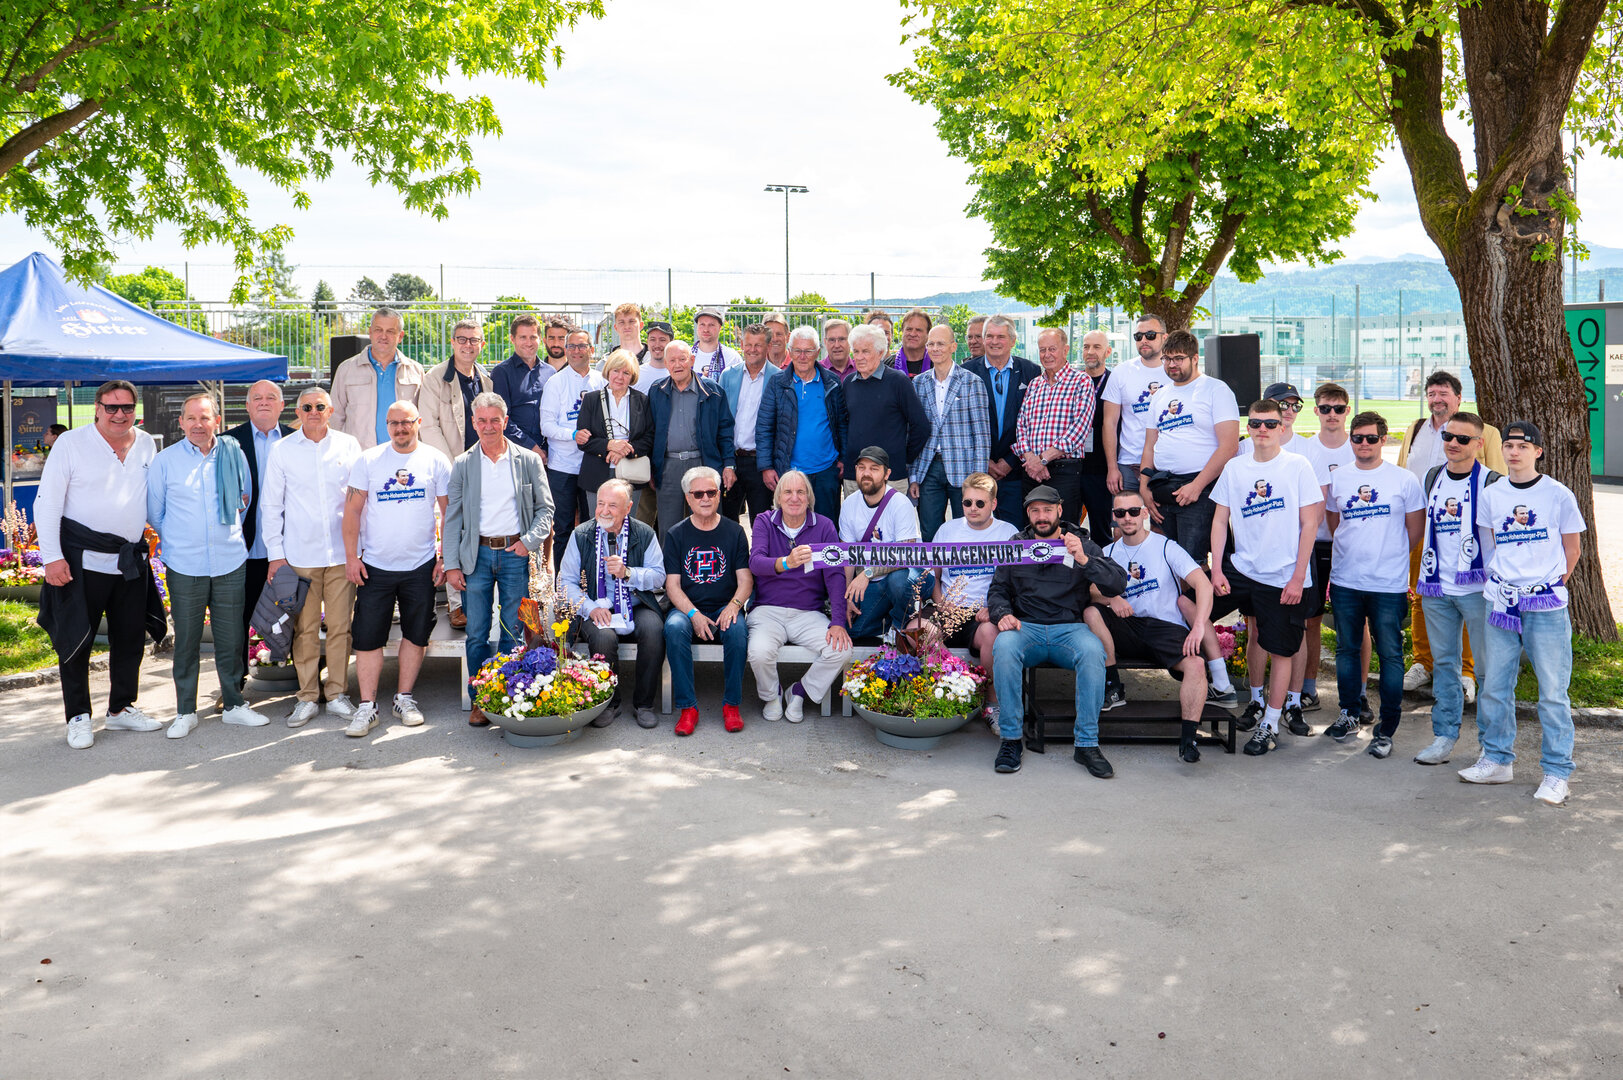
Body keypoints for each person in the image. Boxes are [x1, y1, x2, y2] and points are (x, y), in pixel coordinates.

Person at [37, 380, 165, 749]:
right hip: (80, 561)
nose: (119, 415)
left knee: (130, 639)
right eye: (112, 407)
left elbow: (152, 500)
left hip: (128, 562)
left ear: (135, 411)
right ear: (97, 408)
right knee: (77, 639)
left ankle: (121, 709)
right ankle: (78, 716)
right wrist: (52, 557)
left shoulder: (144, 443)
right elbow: (47, 503)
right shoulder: (71, 444)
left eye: (127, 408)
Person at [1461, 420, 1583, 806]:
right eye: (1510, 445)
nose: (1514, 452)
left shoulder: (1558, 494)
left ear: (1538, 452)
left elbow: (1572, 549)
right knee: (1495, 685)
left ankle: (1557, 772)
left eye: (1523, 446)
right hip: (1501, 604)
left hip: (1544, 605)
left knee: (1552, 692)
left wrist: (1547, 584)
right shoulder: (1493, 495)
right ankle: (1497, 759)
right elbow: (1489, 542)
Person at [148, 392, 269, 738]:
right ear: (181, 422)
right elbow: (156, 512)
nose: (198, 425)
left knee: (231, 638)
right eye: (191, 418)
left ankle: (233, 704)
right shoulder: (166, 461)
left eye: (205, 418)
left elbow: (243, 503)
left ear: (217, 420)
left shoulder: (234, 454)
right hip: (185, 564)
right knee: (185, 640)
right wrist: (183, 539)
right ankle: (185, 710)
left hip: (230, 560)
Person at [985, 485, 1127, 778]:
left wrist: (1084, 560)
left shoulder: (1081, 543)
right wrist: (1003, 614)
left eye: (1047, 509)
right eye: (1035, 510)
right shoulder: (1016, 545)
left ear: (1060, 510)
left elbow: (1117, 584)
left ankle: (1087, 744)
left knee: (1092, 651)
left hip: (1069, 629)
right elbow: (998, 589)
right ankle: (1011, 739)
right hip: (1027, 627)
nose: (1041, 516)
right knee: (1004, 646)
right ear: (1028, 514)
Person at [1208, 399, 1324, 756]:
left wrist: (1297, 576)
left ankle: (1271, 723)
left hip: (1283, 576)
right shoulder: (1235, 467)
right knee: (1188, 605)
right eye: (1256, 424)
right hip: (1242, 569)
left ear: (1283, 428)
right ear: (1248, 427)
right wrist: (1215, 569)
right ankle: (1227, 685)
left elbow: (1310, 524)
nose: (1262, 430)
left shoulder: (1298, 466)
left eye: (1270, 424)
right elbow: (1219, 520)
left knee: (1281, 648)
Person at [1084, 488, 1223, 763]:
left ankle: (1188, 739)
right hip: (1126, 626)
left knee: (1195, 664)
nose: (1127, 518)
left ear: (1145, 513)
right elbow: (1090, 590)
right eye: (1120, 513)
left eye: (1134, 511)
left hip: (1163, 627)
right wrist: (1112, 598)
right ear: (1113, 517)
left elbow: (1202, 584)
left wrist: (1197, 627)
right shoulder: (1108, 551)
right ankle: (1113, 686)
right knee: (1091, 611)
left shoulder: (1165, 546)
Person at [342, 401, 452, 736]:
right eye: (393, 423)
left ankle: (404, 698)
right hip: (375, 564)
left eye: (406, 422)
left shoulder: (435, 460)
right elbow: (352, 512)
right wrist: (351, 557)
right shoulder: (369, 460)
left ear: (418, 422)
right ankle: (367, 706)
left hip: (420, 565)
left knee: (416, 634)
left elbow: (450, 513)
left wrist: (444, 557)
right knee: (367, 637)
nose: (400, 429)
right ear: (385, 425)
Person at [444, 393, 553, 727]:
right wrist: (451, 564)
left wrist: (528, 542)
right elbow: (453, 516)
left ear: (505, 422)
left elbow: (545, 510)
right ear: (474, 423)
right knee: (476, 633)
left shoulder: (527, 461)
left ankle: (505, 695)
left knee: (512, 631)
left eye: (495, 420)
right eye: (482, 421)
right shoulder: (463, 463)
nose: (488, 427)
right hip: (474, 556)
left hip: (514, 556)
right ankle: (480, 700)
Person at [1320, 412, 1425, 757]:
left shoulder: (1404, 480)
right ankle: (1350, 713)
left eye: (1370, 438)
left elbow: (1414, 531)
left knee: (1391, 656)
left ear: (1383, 439)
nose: (1363, 444)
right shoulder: (1338, 478)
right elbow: (1335, 524)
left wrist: (1387, 557)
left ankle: (1387, 728)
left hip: (1388, 583)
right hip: (1346, 580)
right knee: (1347, 652)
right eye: (1357, 437)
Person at [1397, 370, 1505, 700]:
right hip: (1425, 528)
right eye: (1432, 393)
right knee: (1421, 595)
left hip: (1468, 536)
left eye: (1444, 393)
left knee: (1471, 599)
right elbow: (1404, 472)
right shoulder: (1415, 430)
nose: (1437, 398)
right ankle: (1423, 662)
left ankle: (1468, 671)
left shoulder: (1484, 432)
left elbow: (1499, 482)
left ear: (1459, 398)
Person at [262, 387, 363, 728]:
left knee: (339, 628)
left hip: (341, 555)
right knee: (304, 629)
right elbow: (271, 506)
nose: (314, 412)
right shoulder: (282, 450)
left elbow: (359, 499)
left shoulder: (348, 445)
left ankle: (336, 694)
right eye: (307, 407)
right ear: (298, 411)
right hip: (299, 556)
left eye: (320, 406)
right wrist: (276, 555)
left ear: (331, 410)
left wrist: (360, 550)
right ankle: (307, 696)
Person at [1411, 411, 1500, 765]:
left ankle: (1490, 744)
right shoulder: (1433, 477)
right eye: (1449, 436)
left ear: (1478, 444)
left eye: (1463, 439)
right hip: (1436, 586)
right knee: (1445, 665)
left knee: (1485, 669)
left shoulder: (1492, 482)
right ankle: (1444, 736)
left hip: (1477, 590)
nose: (1453, 444)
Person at [560, 479, 666, 730]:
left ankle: (644, 704)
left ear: (628, 507)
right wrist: (590, 608)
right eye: (600, 504)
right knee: (603, 637)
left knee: (653, 630)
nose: (604, 511)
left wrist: (628, 573)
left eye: (612, 505)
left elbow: (659, 576)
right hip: (595, 605)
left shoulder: (644, 533)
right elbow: (566, 583)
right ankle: (609, 702)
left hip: (636, 603)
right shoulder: (581, 534)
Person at [748, 470, 852, 721]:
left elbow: (835, 575)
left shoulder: (824, 525)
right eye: (788, 492)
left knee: (842, 650)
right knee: (759, 652)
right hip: (767, 610)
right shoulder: (765, 520)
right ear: (778, 497)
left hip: (808, 612)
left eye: (800, 492)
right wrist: (787, 562)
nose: (794, 498)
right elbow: (756, 562)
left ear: (809, 497)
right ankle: (771, 695)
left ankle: (799, 692)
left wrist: (838, 621)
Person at [662, 467, 753, 736]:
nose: (705, 498)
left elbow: (746, 580)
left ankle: (732, 705)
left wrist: (734, 606)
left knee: (737, 632)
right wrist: (693, 614)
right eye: (698, 493)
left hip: (726, 605)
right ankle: (688, 708)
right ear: (688, 498)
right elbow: (672, 585)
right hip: (688, 607)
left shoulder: (735, 532)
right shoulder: (675, 534)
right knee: (674, 628)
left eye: (711, 492)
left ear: (718, 495)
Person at [1139, 329, 1239, 565]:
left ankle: (1198, 603)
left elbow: (1229, 446)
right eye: (1167, 358)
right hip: (1163, 487)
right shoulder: (1160, 396)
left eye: (1178, 359)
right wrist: (1144, 487)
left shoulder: (1216, 390)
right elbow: (1150, 445)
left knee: (1193, 562)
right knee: (1167, 559)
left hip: (1200, 489)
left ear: (1195, 358)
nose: (1172, 365)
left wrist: (1197, 486)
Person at [929, 472, 1019, 728]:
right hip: (948, 608)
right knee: (916, 631)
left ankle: (992, 705)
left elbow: (1015, 582)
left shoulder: (1007, 532)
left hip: (983, 613)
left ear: (993, 504)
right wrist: (940, 603)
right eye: (967, 503)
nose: (973, 508)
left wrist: (993, 608)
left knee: (991, 633)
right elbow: (933, 575)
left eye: (980, 503)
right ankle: (959, 684)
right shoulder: (947, 530)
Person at [420, 318, 495, 629]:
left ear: (481, 344)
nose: (468, 345)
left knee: (480, 532)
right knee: (453, 534)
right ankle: (456, 604)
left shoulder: (485, 380)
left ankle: (479, 600)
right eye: (462, 339)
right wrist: (453, 469)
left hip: (482, 469)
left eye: (474, 340)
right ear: (452, 342)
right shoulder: (434, 379)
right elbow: (428, 426)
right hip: (450, 470)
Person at [1297, 382, 1357, 713]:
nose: (1331, 415)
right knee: (1311, 619)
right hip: (1314, 541)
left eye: (1338, 408)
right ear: (1316, 410)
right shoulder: (1305, 449)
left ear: (1347, 411)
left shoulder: (1358, 445)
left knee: (1355, 621)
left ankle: (1358, 693)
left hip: (1350, 545)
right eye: (1324, 408)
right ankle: (1308, 688)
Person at [225, 379, 292, 671]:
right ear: (247, 405)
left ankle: (308, 687)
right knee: (237, 620)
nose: (264, 402)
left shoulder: (297, 440)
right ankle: (234, 690)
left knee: (298, 617)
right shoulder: (227, 442)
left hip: (290, 548)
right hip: (245, 548)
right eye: (257, 398)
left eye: (270, 397)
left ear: (282, 405)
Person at [757, 326, 848, 526]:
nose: (802, 356)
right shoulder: (777, 383)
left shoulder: (831, 382)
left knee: (826, 527)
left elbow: (842, 423)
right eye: (797, 350)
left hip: (826, 471)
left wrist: (843, 458)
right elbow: (764, 427)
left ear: (818, 352)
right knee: (791, 528)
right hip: (789, 473)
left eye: (808, 351)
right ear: (790, 351)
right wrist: (766, 466)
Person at [910, 322, 990, 540]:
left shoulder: (972, 382)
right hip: (929, 468)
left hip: (964, 470)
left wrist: (979, 480)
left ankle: (964, 574)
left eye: (941, 344)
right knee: (929, 531)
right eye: (931, 344)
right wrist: (914, 475)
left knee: (966, 529)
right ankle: (933, 574)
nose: (935, 348)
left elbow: (982, 436)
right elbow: (915, 433)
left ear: (953, 347)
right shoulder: (919, 383)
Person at [1011, 327, 1096, 527]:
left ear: (1065, 350)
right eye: (1042, 350)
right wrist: (1031, 459)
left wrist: (1043, 459)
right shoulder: (1034, 385)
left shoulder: (1081, 381)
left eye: (1052, 349)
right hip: (1031, 471)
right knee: (1032, 531)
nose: (1047, 355)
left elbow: (1079, 431)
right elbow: (1021, 425)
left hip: (1064, 472)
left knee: (1064, 532)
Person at [650, 340, 736, 539]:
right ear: (665, 363)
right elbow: (651, 431)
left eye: (682, 359)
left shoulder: (712, 391)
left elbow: (725, 430)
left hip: (703, 465)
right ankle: (671, 570)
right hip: (668, 467)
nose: (677, 364)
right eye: (672, 360)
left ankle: (709, 569)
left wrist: (729, 464)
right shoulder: (657, 391)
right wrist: (652, 467)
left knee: (706, 524)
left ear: (692, 360)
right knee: (668, 529)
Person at [840, 447, 927, 641]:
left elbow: (905, 556)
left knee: (898, 581)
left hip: (911, 576)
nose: (866, 473)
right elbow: (847, 555)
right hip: (875, 581)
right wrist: (846, 596)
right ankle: (887, 620)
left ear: (887, 473)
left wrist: (867, 573)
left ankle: (898, 626)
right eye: (861, 467)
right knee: (854, 631)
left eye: (874, 468)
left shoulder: (900, 503)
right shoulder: (849, 504)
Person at [963, 314, 1041, 528]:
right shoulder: (967, 373)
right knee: (976, 532)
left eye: (1001, 337)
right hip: (979, 469)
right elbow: (964, 424)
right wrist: (985, 460)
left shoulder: (1031, 371)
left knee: (1013, 531)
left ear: (1013, 341)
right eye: (989, 336)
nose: (994, 342)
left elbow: (1033, 423)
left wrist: (1010, 460)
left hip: (1015, 469)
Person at [539, 326, 607, 567]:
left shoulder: (602, 381)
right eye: (572, 346)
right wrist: (573, 434)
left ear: (591, 350)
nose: (577, 351)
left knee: (593, 528)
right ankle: (564, 589)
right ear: (566, 350)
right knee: (564, 528)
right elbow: (546, 426)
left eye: (582, 346)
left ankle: (592, 582)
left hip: (594, 466)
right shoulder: (555, 383)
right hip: (563, 467)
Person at [842, 323, 930, 498]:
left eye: (865, 351)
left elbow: (921, 427)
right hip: (855, 477)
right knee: (857, 525)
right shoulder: (848, 383)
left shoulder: (898, 381)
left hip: (890, 476)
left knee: (890, 525)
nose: (859, 357)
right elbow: (844, 425)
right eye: (856, 351)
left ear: (881, 352)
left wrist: (903, 457)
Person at [330, 306, 425, 449]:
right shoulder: (346, 369)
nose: (383, 336)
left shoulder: (415, 371)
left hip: (403, 455)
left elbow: (423, 418)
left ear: (400, 336)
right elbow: (335, 416)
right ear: (370, 332)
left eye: (390, 331)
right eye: (378, 330)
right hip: (360, 456)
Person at [575, 349, 654, 519]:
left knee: (627, 525)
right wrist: (609, 446)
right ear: (608, 371)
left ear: (632, 376)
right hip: (596, 472)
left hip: (631, 473)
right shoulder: (591, 400)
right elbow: (583, 440)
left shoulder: (642, 400)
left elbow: (649, 438)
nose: (620, 377)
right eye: (616, 371)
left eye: (626, 372)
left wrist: (625, 449)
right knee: (598, 525)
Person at [1100, 314, 1169, 496]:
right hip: (1128, 464)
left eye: (1150, 335)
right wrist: (1112, 467)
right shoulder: (1121, 372)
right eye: (1138, 336)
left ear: (1165, 337)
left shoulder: (1175, 372)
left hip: (1165, 464)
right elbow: (1109, 423)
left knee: (1160, 524)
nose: (1144, 340)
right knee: (1124, 522)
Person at [719, 323, 779, 528]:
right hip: (731, 460)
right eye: (748, 344)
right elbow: (721, 420)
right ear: (742, 345)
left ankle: (758, 560)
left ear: (768, 347)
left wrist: (769, 465)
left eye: (758, 345)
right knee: (727, 521)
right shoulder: (728, 375)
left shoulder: (778, 378)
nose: (752, 350)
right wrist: (726, 462)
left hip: (760, 463)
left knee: (761, 523)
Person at [491, 313, 552, 452]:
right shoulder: (501, 373)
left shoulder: (551, 373)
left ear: (540, 339)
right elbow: (502, 417)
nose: (528, 343)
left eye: (533, 337)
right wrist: (531, 447)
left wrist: (546, 448)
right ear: (513, 339)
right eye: (523, 337)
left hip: (550, 452)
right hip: (515, 450)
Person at [1077, 330, 1115, 538]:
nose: (1090, 352)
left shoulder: (1115, 382)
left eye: (1097, 347)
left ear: (1108, 351)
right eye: (1086, 346)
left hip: (1101, 470)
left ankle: (1102, 569)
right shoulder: (1072, 382)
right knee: (1069, 528)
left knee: (1102, 530)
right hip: (1074, 467)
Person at [692, 307, 740, 381]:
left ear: (720, 327)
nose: (706, 329)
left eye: (711, 325)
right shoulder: (685, 356)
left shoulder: (732, 358)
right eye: (702, 324)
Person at [635, 320, 674, 393]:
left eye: (662, 340)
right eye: (652, 340)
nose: (657, 345)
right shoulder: (636, 374)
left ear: (671, 343)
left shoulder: (679, 374)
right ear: (647, 342)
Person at [891, 307, 932, 376]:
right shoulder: (887, 365)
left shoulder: (936, 365)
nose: (913, 334)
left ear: (928, 334)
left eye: (918, 330)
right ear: (902, 331)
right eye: (909, 329)